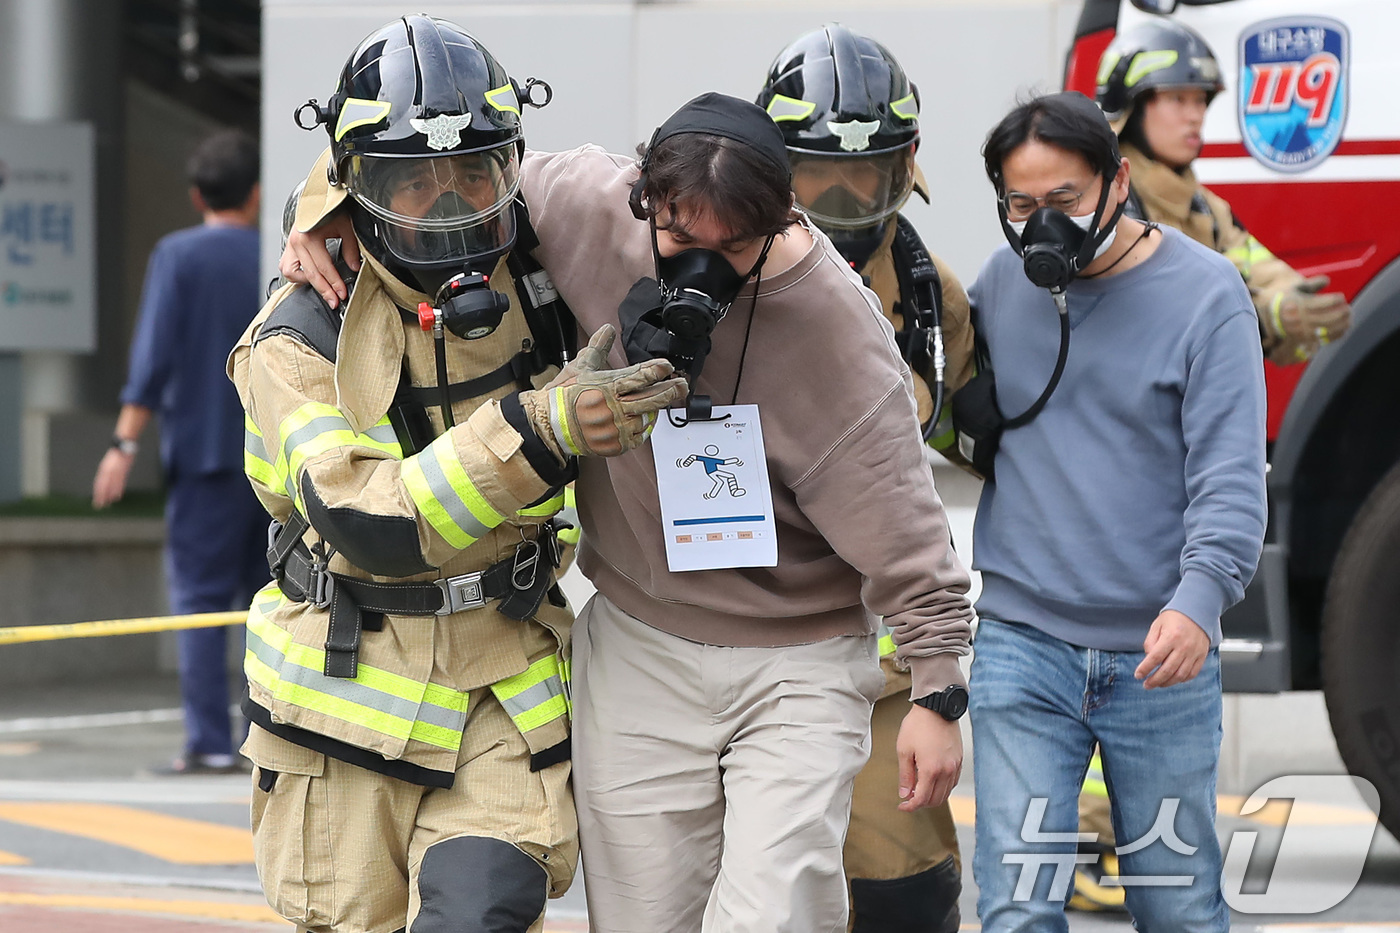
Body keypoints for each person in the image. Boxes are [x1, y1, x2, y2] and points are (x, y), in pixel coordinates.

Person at [286, 90, 976, 932]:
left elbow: (909, 527)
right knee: (644, 917)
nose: (707, 266)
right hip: (641, 639)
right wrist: (324, 212)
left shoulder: (838, 330)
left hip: (802, 657)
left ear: (786, 219)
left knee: (777, 911)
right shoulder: (585, 203)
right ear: (643, 197)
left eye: (739, 247)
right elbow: (447, 165)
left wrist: (938, 694)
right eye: (683, 240)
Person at [233, 17, 685, 933]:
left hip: (500, 685)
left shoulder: (545, 270)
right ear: (361, 188)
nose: (452, 205)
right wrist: (545, 425)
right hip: (343, 700)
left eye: (476, 172)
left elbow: (687, 200)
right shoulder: (295, 339)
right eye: (413, 180)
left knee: (481, 914)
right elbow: (369, 521)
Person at [964, 91, 1266, 932]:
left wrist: (1198, 600)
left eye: (1063, 202)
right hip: (1023, 646)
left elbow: (1232, 477)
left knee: (1178, 911)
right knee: (1018, 909)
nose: (1040, 226)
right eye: (1020, 206)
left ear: (1118, 181)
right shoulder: (999, 284)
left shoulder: (1208, 297)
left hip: (1158, 657)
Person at [756, 24, 973, 933]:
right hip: (737, 650)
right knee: (754, 897)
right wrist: (326, 217)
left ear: (906, 167)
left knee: (907, 898)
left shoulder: (929, 297)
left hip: (874, 656)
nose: (842, 202)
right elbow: (518, 214)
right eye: (816, 176)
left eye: (868, 175)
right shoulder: (690, 248)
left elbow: (985, 431)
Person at [92, 128, 266, 776]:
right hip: (272, 458)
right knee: (268, 600)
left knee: (198, 598)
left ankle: (209, 741)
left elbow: (153, 356)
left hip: (201, 455)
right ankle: (264, 739)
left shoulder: (177, 255)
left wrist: (123, 442)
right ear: (254, 194)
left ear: (197, 195)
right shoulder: (272, 256)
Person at [1097, 18, 1352, 365]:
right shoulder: (1106, 202)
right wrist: (1266, 317)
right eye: (1177, 98)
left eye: (1201, 100)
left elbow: (1257, 268)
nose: (1195, 116)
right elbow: (1161, 317)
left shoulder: (1205, 207)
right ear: (1130, 107)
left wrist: (1290, 302)